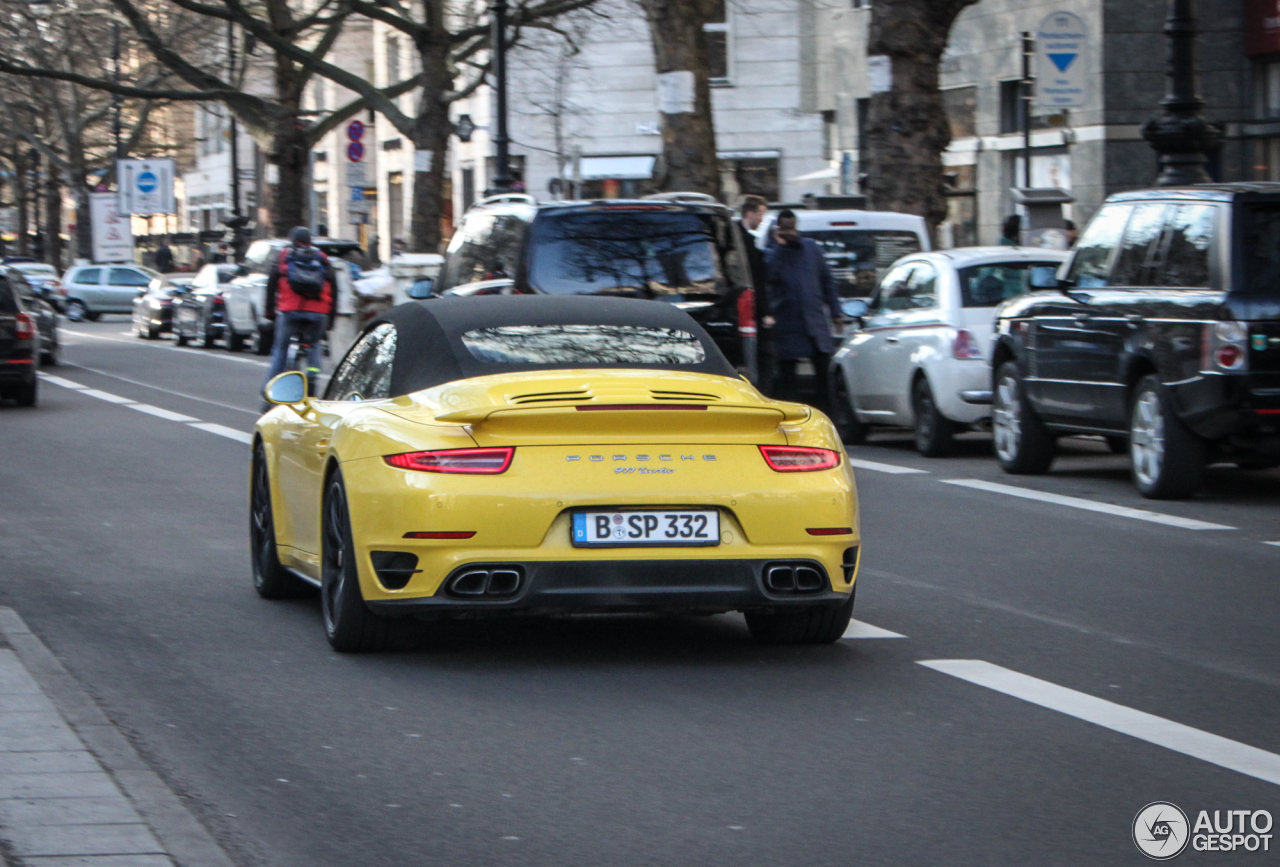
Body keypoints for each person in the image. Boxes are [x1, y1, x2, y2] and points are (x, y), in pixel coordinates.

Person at [764, 209, 842, 410]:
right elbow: (769, 276)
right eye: (784, 228)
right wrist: (781, 247)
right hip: (788, 323)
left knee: (824, 373)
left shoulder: (811, 248)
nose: (789, 232)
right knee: (788, 377)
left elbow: (827, 281)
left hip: (814, 323)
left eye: (791, 227)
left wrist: (836, 312)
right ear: (778, 229)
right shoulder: (772, 252)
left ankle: (827, 415)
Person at [261, 227, 336, 407]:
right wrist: (330, 318)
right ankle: (311, 377)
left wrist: (270, 312)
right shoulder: (322, 258)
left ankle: (269, 393)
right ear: (310, 241)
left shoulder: (284, 256)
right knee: (314, 344)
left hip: (289, 310)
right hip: (318, 312)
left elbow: (272, 284)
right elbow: (334, 286)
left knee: (280, 348)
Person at [737, 195, 774, 388]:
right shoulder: (745, 242)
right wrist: (765, 312)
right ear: (750, 213)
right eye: (760, 214)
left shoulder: (740, 238)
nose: (762, 220)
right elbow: (756, 281)